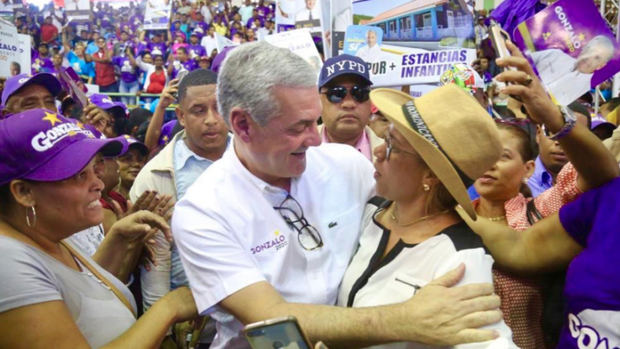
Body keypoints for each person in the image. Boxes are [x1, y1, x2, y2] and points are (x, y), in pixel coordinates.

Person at [172, 41, 501, 349]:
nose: (315, 140)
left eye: (314, 121)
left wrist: (503, 245)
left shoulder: (346, 166)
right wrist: (407, 318)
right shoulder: (202, 212)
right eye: (297, 128)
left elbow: (422, 214)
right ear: (243, 125)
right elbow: (269, 318)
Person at [459, 39, 620, 349]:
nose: (490, 164)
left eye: (503, 156)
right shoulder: (610, 203)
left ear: (528, 168)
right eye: (485, 154)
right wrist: (447, 210)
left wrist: (554, 118)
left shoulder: (541, 208)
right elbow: (520, 246)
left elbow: (600, 174)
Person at [0, 108, 198, 348]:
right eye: (79, 175)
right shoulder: (7, 262)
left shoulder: (48, 236)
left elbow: (82, 297)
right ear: (24, 192)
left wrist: (118, 239)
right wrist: (170, 307)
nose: (98, 183)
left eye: (96, 169)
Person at [337, 84, 517, 348]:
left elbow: (489, 341)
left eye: (391, 146)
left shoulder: (460, 260)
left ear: (430, 175)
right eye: (384, 138)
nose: (376, 152)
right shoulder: (371, 212)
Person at [131, 69, 229, 347]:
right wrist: (163, 334)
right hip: (191, 331)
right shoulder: (155, 177)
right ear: (181, 116)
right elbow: (155, 266)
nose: (211, 119)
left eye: (218, 108)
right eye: (198, 110)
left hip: (252, 322)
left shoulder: (256, 161)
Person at [317, 54, 382, 161]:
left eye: (359, 93)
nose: (349, 104)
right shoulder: (296, 150)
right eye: (336, 94)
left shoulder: (392, 158)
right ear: (318, 100)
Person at [527, 102, 591, 197]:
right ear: (538, 133)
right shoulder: (516, 184)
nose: (561, 141)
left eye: (573, 135)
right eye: (552, 131)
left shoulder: (594, 188)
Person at [531, 35, 615, 105]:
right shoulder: (555, 55)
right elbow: (524, 60)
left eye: (597, 57)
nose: (589, 57)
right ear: (584, 47)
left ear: (601, 65)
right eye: (590, 50)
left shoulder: (582, 94)